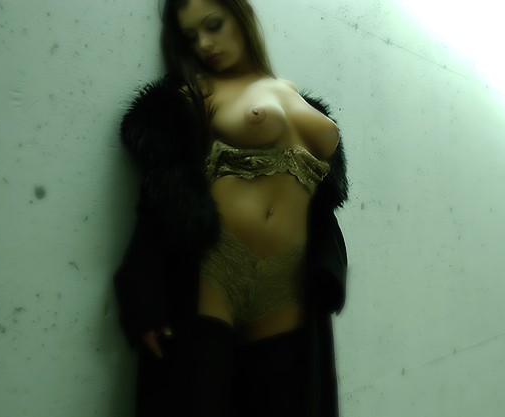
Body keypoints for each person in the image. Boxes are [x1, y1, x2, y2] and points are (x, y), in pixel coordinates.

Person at [113, 0, 349, 416]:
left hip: (289, 279)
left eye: (213, 25)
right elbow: (166, 191)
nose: (205, 44)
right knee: (200, 400)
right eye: (191, 36)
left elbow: (322, 209)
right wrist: (143, 292)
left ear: (242, 17)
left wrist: (331, 266)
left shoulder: (294, 93)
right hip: (219, 269)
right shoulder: (197, 93)